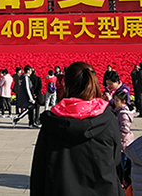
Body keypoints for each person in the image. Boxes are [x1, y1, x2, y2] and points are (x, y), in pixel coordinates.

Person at [30, 61, 124, 196]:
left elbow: (39, 172)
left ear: (66, 85)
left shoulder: (52, 122)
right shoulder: (107, 119)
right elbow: (115, 160)